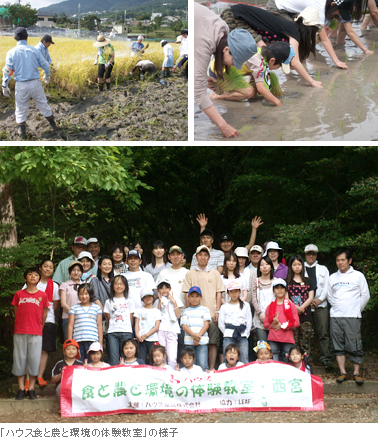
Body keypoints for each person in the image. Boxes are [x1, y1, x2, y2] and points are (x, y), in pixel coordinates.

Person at [221, 4, 324, 89]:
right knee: (262, 50)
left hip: (235, 13)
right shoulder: (294, 31)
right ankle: (257, 84)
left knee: (261, 52)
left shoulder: (291, 28)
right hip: (235, 16)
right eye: (314, 33)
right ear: (309, 31)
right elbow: (295, 62)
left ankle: (255, 84)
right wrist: (312, 81)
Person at [194, 2, 258, 138]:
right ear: (226, 50)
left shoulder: (224, 29)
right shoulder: (204, 41)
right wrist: (224, 126)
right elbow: (199, 95)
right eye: (235, 61)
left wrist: (203, 77)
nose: (234, 66)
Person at [2, 27, 57, 139]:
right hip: (35, 83)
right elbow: (46, 65)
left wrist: (4, 85)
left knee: (21, 109)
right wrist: (47, 75)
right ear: (27, 37)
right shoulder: (34, 50)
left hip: (21, 85)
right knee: (43, 105)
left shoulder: (11, 52)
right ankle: (54, 127)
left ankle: (23, 135)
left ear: (15, 38)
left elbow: (8, 70)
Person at [327, 248, 370, 385]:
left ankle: (356, 372)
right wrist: (337, 307)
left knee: (354, 344)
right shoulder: (332, 277)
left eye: (343, 260)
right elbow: (329, 296)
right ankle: (342, 372)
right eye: (338, 260)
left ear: (349, 260)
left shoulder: (358, 276)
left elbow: (365, 295)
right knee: (338, 344)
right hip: (336, 316)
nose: (340, 263)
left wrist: (357, 309)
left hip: (352, 316)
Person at [265, 0, 349, 69]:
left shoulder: (323, 4)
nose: (338, 15)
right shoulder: (319, 8)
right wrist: (337, 61)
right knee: (293, 33)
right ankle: (291, 63)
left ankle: (295, 61)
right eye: (339, 12)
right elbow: (324, 40)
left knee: (298, 33)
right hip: (277, 6)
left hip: (288, 9)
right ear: (333, 5)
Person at [209, 42, 295, 106]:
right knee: (250, 92)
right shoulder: (258, 62)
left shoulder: (260, 52)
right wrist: (278, 103)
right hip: (218, 74)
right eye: (279, 66)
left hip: (226, 70)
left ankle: (237, 90)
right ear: (272, 60)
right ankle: (217, 96)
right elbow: (261, 88)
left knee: (256, 85)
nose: (278, 68)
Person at [183, 245, 224, 370]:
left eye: (205, 255)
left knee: (212, 343)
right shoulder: (190, 273)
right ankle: (193, 370)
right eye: (200, 255)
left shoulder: (215, 273)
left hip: (211, 313)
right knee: (194, 343)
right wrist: (189, 311)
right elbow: (186, 293)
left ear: (209, 257)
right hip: (194, 315)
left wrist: (217, 310)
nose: (203, 257)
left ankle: (210, 368)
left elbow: (219, 292)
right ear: (196, 257)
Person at [11, 267, 49, 400]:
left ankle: (31, 388)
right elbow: (16, 312)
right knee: (19, 359)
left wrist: (39, 327)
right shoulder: (19, 294)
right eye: (30, 274)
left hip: (36, 332)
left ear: (39, 279)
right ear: (25, 278)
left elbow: (44, 314)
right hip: (20, 331)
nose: (33, 277)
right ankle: (21, 388)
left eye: (35, 275)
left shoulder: (42, 295)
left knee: (34, 360)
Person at [21, 259, 60, 387]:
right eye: (45, 266)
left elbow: (55, 304)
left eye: (51, 267)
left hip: (48, 320)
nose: (48, 269)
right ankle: (28, 378)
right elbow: (22, 299)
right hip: (32, 320)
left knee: (44, 350)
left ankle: (39, 376)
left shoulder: (54, 285)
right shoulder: (32, 283)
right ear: (40, 267)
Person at [155, 245, 188, 364]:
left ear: (182, 256)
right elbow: (157, 290)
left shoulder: (187, 272)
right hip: (164, 316)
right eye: (172, 254)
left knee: (180, 343)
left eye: (178, 254)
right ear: (168, 257)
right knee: (163, 347)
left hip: (181, 311)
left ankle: (178, 368)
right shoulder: (163, 272)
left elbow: (189, 293)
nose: (175, 257)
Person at [304, 244, 332, 370]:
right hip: (305, 306)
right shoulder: (300, 267)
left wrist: (319, 300)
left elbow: (327, 286)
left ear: (316, 255)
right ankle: (306, 358)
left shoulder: (323, 269)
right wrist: (307, 301)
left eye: (313, 253)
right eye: (309, 253)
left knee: (323, 332)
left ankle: (325, 358)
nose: (311, 256)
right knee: (305, 333)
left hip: (321, 305)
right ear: (305, 255)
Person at [286, 255, 315, 361]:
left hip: (306, 317)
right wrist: (295, 308)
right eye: (294, 265)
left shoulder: (309, 281)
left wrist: (302, 307)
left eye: (299, 264)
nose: (297, 267)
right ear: (291, 266)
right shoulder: (287, 282)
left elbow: (311, 297)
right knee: (293, 343)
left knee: (305, 343)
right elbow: (286, 298)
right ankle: (293, 367)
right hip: (291, 317)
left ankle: (306, 367)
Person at [264, 278, 300, 362]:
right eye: (277, 288)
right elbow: (265, 324)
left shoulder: (291, 305)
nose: (279, 290)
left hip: (287, 339)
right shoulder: (270, 306)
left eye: (282, 288)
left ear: (285, 290)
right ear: (273, 290)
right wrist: (272, 324)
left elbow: (296, 323)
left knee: (287, 364)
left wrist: (282, 325)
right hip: (273, 338)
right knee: (274, 364)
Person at [218, 281, 252, 364]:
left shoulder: (246, 305)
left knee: (244, 358)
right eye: (231, 292)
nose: (234, 294)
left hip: (242, 334)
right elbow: (221, 323)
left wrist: (246, 333)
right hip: (228, 334)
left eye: (236, 291)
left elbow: (249, 321)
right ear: (228, 293)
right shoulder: (224, 307)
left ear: (240, 292)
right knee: (228, 359)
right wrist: (226, 332)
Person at [103, 275, 135, 366]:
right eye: (116, 284)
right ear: (112, 286)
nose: (119, 286)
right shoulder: (108, 302)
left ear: (125, 286)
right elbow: (108, 319)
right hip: (112, 333)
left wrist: (128, 330)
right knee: (114, 359)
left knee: (127, 358)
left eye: (121, 284)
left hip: (126, 332)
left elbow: (131, 318)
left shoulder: (129, 301)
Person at [67, 283, 103, 361]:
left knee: (92, 362)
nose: (84, 296)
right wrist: (70, 342)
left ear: (90, 294)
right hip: (78, 340)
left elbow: (99, 325)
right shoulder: (74, 308)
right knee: (79, 362)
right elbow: (70, 325)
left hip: (92, 340)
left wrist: (100, 341)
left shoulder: (97, 308)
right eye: (81, 294)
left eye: (86, 294)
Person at [181, 286, 211, 371]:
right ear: (188, 297)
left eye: (197, 296)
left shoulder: (205, 310)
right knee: (189, 366)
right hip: (189, 342)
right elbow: (184, 326)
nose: (194, 299)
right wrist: (194, 336)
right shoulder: (185, 311)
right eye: (192, 296)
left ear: (201, 297)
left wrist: (197, 337)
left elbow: (206, 325)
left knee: (203, 364)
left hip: (202, 341)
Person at [155, 279, 183, 368]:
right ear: (158, 290)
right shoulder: (156, 301)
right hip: (160, 329)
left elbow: (178, 316)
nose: (164, 290)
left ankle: (172, 377)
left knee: (172, 357)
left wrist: (174, 302)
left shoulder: (175, 300)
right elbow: (157, 315)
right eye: (161, 288)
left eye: (166, 287)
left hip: (172, 330)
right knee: (161, 356)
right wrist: (159, 302)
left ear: (170, 288)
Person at [251, 256, 275, 342]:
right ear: (259, 268)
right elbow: (254, 299)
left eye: (267, 264)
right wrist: (260, 313)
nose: (264, 267)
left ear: (271, 267)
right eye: (262, 265)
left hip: (274, 319)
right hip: (259, 318)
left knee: (273, 347)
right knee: (262, 345)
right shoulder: (255, 281)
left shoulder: (276, 282)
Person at [134, 290, 162, 363]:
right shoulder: (138, 310)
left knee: (153, 360)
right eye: (145, 297)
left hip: (152, 339)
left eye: (149, 296)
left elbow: (156, 327)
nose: (148, 298)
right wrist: (137, 335)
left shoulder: (157, 311)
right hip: (141, 340)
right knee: (141, 360)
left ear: (153, 297)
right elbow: (136, 323)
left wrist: (146, 335)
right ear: (142, 299)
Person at [59, 260, 84, 341]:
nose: (76, 272)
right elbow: (63, 303)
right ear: (69, 272)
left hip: (83, 318)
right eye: (73, 270)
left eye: (78, 270)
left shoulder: (85, 285)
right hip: (67, 317)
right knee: (69, 343)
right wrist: (74, 313)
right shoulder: (64, 285)